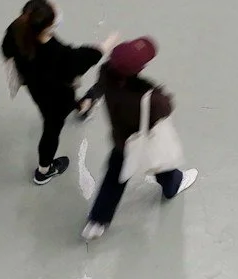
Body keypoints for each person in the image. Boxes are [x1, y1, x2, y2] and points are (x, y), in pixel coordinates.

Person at [80, 36, 196, 242]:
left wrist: (89, 98)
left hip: (120, 140)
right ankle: (173, 186)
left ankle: (97, 221)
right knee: (162, 163)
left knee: (114, 178)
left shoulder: (106, 73)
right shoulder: (148, 98)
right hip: (142, 140)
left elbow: (99, 87)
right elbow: (166, 108)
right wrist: (160, 94)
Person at [1, 0, 105, 185]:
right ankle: (44, 170)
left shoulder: (16, 30)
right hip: (55, 96)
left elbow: (7, 52)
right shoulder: (55, 52)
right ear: (46, 27)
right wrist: (104, 47)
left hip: (37, 87)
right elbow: (78, 61)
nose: (57, 7)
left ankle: (80, 105)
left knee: (62, 106)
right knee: (52, 128)